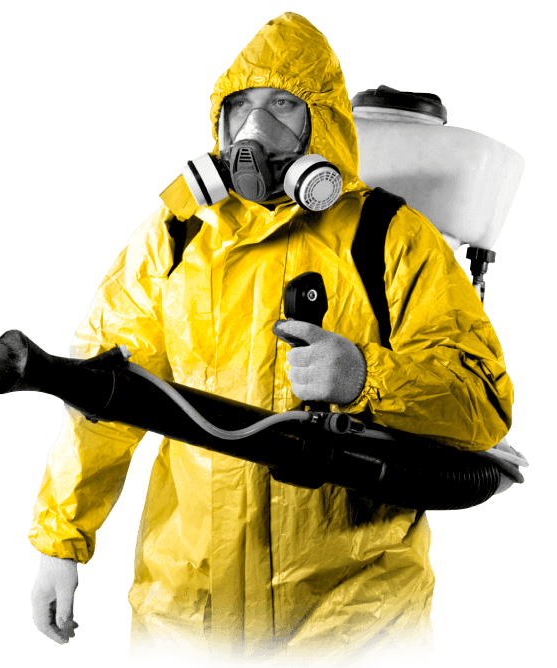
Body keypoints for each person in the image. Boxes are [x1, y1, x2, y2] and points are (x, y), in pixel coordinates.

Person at [29, 11, 515, 667]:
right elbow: (101, 399)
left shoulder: (391, 238)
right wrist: (60, 545)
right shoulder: (173, 239)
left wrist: (364, 377)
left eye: (283, 105)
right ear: (219, 121)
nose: (256, 129)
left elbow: (481, 405)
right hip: (184, 623)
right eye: (240, 108)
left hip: (356, 635)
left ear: (325, 122)